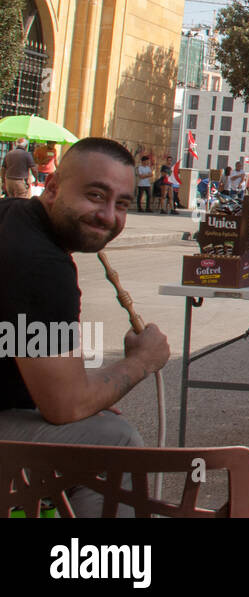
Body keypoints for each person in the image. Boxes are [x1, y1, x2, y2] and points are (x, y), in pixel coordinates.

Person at [0, 137, 171, 516]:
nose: (108, 216)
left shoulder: (12, 217)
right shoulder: (41, 265)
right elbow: (66, 405)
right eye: (96, 196)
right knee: (113, 443)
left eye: (121, 204)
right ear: (54, 187)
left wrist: (87, 397)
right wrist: (141, 362)